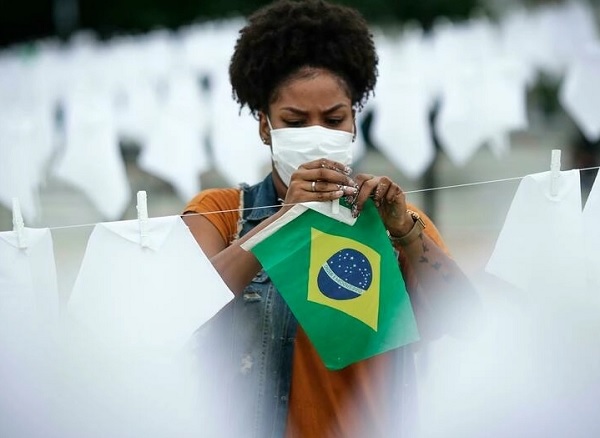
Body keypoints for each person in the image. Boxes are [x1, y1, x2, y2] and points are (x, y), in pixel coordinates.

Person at [182, 1, 479, 437]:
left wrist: (405, 234)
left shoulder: (395, 221)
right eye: (295, 122)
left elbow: (465, 322)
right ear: (265, 126)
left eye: (334, 118)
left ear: (355, 122)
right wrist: (284, 221)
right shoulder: (221, 213)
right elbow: (181, 308)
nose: (317, 133)